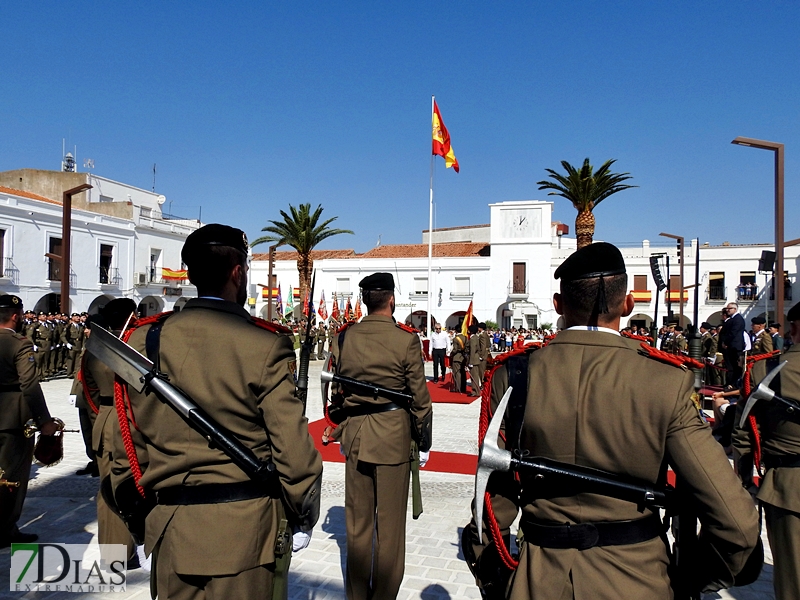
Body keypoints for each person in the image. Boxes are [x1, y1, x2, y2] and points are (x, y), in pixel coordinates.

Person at [474, 242, 759, 599]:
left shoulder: (513, 374)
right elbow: (738, 524)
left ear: (559, 306)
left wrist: (494, 575)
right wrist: (694, 579)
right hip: (638, 577)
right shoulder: (664, 381)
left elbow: (489, 506)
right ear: (628, 305)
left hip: (538, 577)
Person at [110, 224, 323, 598]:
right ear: (238, 272)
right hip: (245, 536)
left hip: (171, 529)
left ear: (190, 273)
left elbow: (125, 445)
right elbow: (292, 451)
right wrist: (303, 513)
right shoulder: (264, 344)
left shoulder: (143, 339)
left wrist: (141, 519)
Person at [331, 272, 432, 600]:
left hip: (357, 436)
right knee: (389, 532)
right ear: (391, 299)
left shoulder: (345, 336)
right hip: (393, 438)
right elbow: (420, 400)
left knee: (358, 529)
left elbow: (336, 394)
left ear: (363, 301)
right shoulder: (405, 339)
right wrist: (424, 440)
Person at [733, 301, 800, 599]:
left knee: (793, 579)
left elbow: (744, 433)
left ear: (793, 329)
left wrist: (745, 482)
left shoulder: (765, 367)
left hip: (787, 487)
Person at [83, 299, 140, 564]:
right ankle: (127, 549)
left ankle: (114, 552)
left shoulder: (94, 348)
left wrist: (102, 419)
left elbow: (90, 393)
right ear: (133, 316)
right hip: (132, 420)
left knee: (108, 487)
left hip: (106, 418)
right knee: (128, 485)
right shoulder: (136, 347)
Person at [0, 294, 59, 547]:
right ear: (16, 316)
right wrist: (44, 421)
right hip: (12, 420)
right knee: (11, 478)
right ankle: (5, 530)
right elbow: (30, 385)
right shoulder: (19, 344)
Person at [720, 302, 746, 384]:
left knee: (735, 367)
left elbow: (733, 332)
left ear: (735, 309)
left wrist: (725, 342)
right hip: (732, 346)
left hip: (735, 346)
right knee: (731, 366)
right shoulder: (733, 319)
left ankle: (734, 384)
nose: (727, 310)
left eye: (729, 308)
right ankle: (731, 383)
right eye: (727, 308)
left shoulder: (738, 319)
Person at [450, 327, 468, 394]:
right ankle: (463, 387)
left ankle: (457, 388)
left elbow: (455, 349)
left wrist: (451, 354)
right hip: (463, 357)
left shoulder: (456, 339)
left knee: (457, 373)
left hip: (457, 357)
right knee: (463, 373)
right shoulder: (465, 338)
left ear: (455, 331)